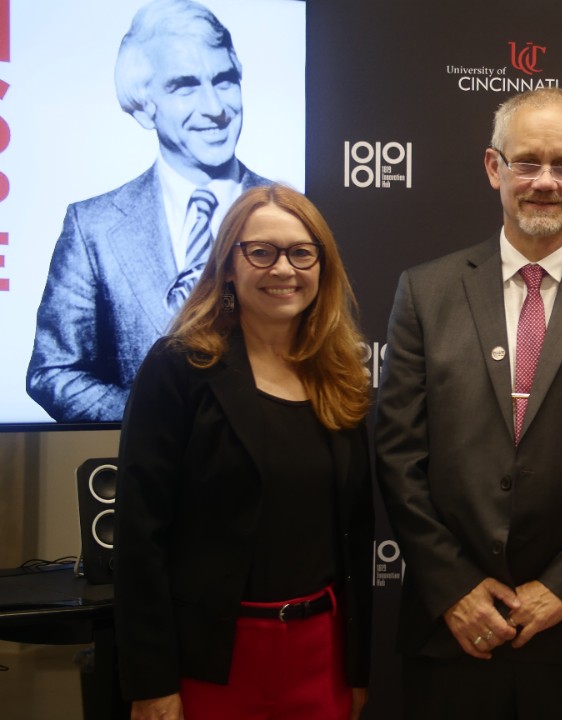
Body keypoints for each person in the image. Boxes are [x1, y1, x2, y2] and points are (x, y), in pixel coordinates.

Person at [375, 87, 562, 718]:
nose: (544, 181)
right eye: (526, 161)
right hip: (450, 637)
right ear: (493, 168)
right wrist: (453, 588)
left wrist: (561, 589)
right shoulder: (425, 293)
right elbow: (398, 453)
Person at [113, 184, 372, 720]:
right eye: (261, 251)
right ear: (229, 265)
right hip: (211, 662)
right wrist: (152, 683)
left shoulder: (339, 373)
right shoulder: (179, 368)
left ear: (322, 266)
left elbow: (356, 532)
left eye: (302, 252)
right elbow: (141, 540)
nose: (284, 269)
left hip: (321, 660)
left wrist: (358, 668)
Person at [28, 0, 270, 422]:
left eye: (225, 80)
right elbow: (54, 372)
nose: (215, 107)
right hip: (147, 477)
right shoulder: (94, 228)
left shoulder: (292, 216)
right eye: (185, 86)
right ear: (143, 106)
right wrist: (153, 423)